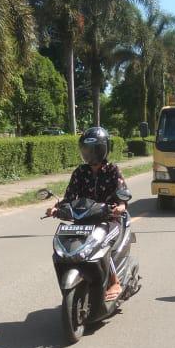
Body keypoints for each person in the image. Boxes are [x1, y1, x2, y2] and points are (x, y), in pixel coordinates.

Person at [46, 127, 127, 301]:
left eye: (94, 150)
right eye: (87, 150)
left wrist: (120, 206)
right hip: (83, 221)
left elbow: (122, 194)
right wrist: (56, 208)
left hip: (109, 220)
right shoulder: (80, 172)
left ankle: (115, 282)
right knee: (66, 242)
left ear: (104, 149)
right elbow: (69, 197)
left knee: (101, 242)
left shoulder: (113, 170)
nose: (90, 154)